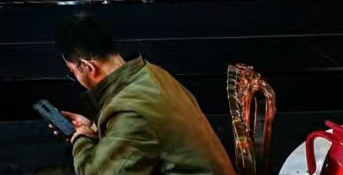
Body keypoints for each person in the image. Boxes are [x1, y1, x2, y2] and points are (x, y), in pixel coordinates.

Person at [54, 13, 236, 175]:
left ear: (88, 66)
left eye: (72, 72)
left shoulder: (129, 109)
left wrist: (80, 138)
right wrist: (92, 129)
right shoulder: (152, 73)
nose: (75, 78)